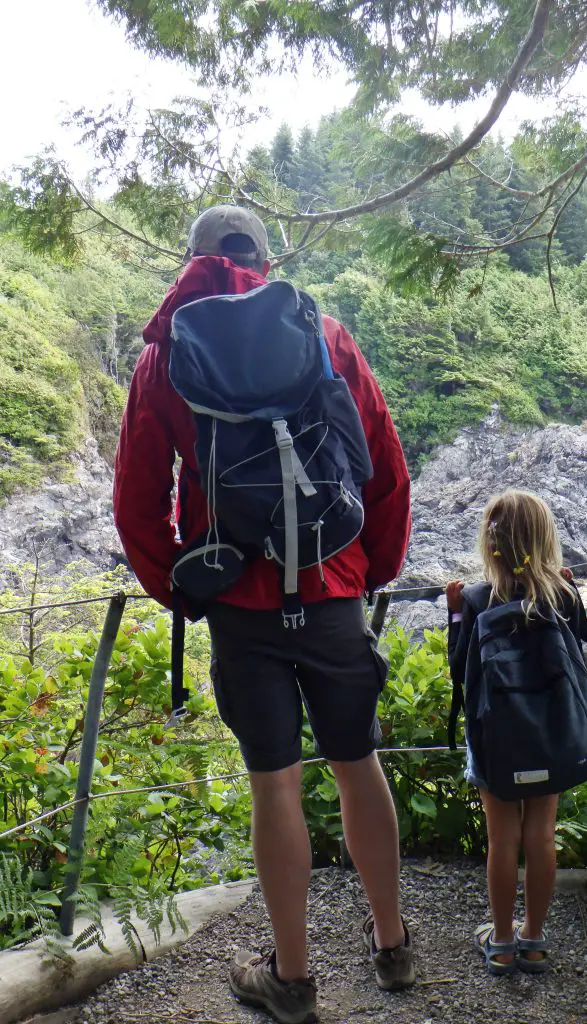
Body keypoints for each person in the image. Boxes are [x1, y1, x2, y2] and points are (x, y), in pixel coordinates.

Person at [114, 206, 415, 1024]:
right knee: (358, 764)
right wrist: (368, 569)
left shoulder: (167, 353)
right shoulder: (323, 331)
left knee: (273, 784)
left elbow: (138, 499)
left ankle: (292, 978)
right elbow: (383, 464)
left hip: (239, 600)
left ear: (195, 259)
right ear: (266, 255)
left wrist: (180, 585)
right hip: (333, 588)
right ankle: (392, 947)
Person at [445, 489, 587, 975]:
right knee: (541, 836)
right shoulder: (563, 593)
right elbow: (580, 649)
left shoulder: (474, 598)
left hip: (496, 738)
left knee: (501, 838)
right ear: (545, 539)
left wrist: (452, 612)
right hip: (549, 735)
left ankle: (501, 940)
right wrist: (569, 587)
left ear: (491, 546)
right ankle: (533, 939)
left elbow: (458, 669)